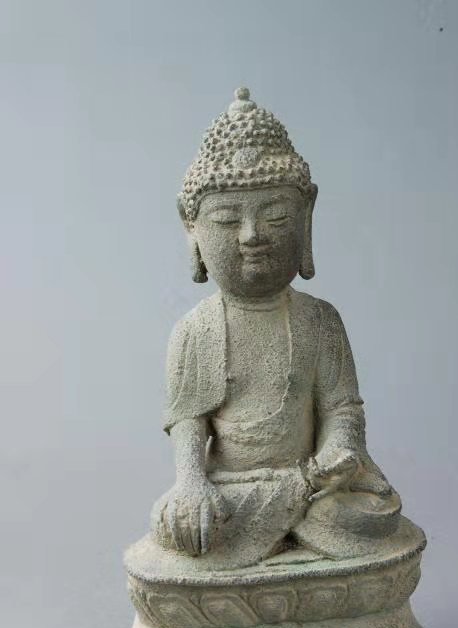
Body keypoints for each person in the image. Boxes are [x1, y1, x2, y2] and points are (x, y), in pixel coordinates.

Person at [152, 89, 401, 570]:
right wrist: (191, 483)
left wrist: (339, 452)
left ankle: (281, 550)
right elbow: (188, 423)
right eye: (228, 219)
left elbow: (342, 408)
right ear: (193, 229)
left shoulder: (319, 320)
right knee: (183, 525)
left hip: (313, 487)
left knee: (371, 513)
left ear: (306, 221)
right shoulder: (195, 330)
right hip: (232, 491)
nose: (252, 235)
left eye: (276, 217)